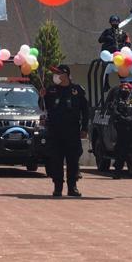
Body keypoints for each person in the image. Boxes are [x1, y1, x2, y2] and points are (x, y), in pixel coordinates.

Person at [43, 64, 88, 196]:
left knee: (73, 159)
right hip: (55, 131)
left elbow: (85, 110)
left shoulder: (77, 90)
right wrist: (42, 96)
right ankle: (57, 187)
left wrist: (84, 128)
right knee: (56, 159)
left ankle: (72, 187)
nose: (56, 76)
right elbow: (43, 107)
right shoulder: (51, 90)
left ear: (66, 75)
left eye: (58, 73)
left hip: (72, 131)